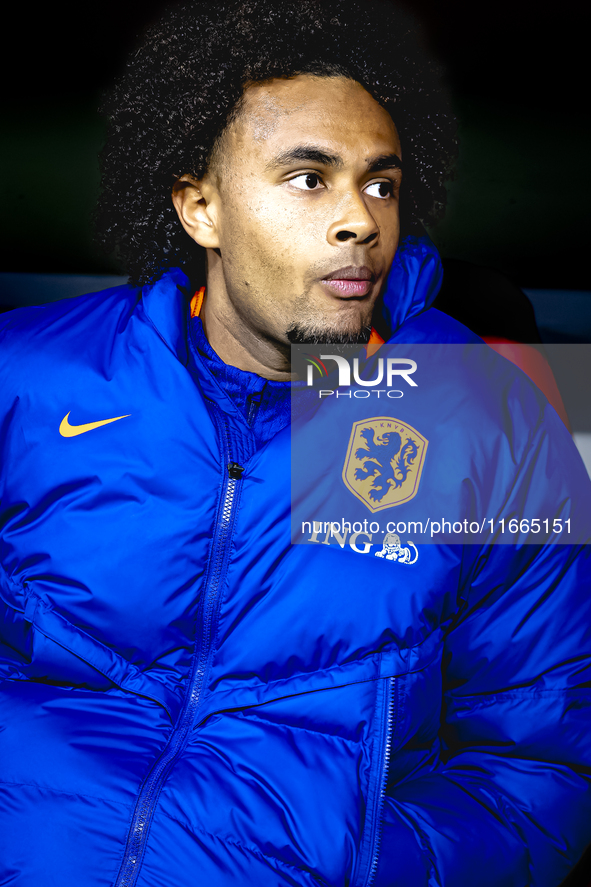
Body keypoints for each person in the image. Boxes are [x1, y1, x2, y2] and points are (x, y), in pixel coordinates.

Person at [0, 1, 589, 885]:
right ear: (200, 207)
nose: (360, 219)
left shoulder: (489, 417)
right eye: (309, 178)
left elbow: (543, 763)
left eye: (380, 183)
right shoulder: (29, 376)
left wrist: (357, 864)